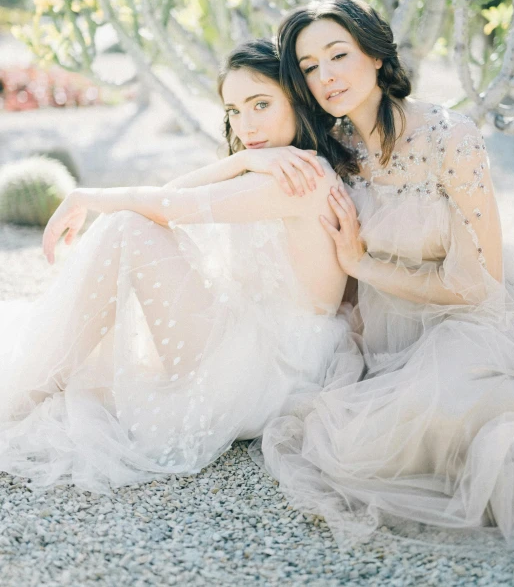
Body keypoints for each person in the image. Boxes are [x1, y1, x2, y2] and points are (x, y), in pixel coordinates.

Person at [0, 39, 365, 495]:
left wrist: (87, 197)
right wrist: (244, 160)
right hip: (258, 347)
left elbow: (173, 205)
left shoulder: (301, 179)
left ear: (299, 102)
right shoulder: (279, 167)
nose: (246, 124)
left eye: (261, 104)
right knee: (130, 227)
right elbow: (174, 194)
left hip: (267, 376)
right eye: (234, 110)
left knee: (128, 229)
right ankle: (40, 380)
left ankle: (30, 390)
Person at [249, 0, 514, 557]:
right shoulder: (332, 148)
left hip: (466, 320)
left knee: (463, 424)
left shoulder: (451, 137)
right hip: (381, 334)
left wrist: (361, 264)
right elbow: (244, 172)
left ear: (375, 55)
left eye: (338, 54)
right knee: (348, 430)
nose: (326, 75)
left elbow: (478, 285)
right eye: (309, 66)